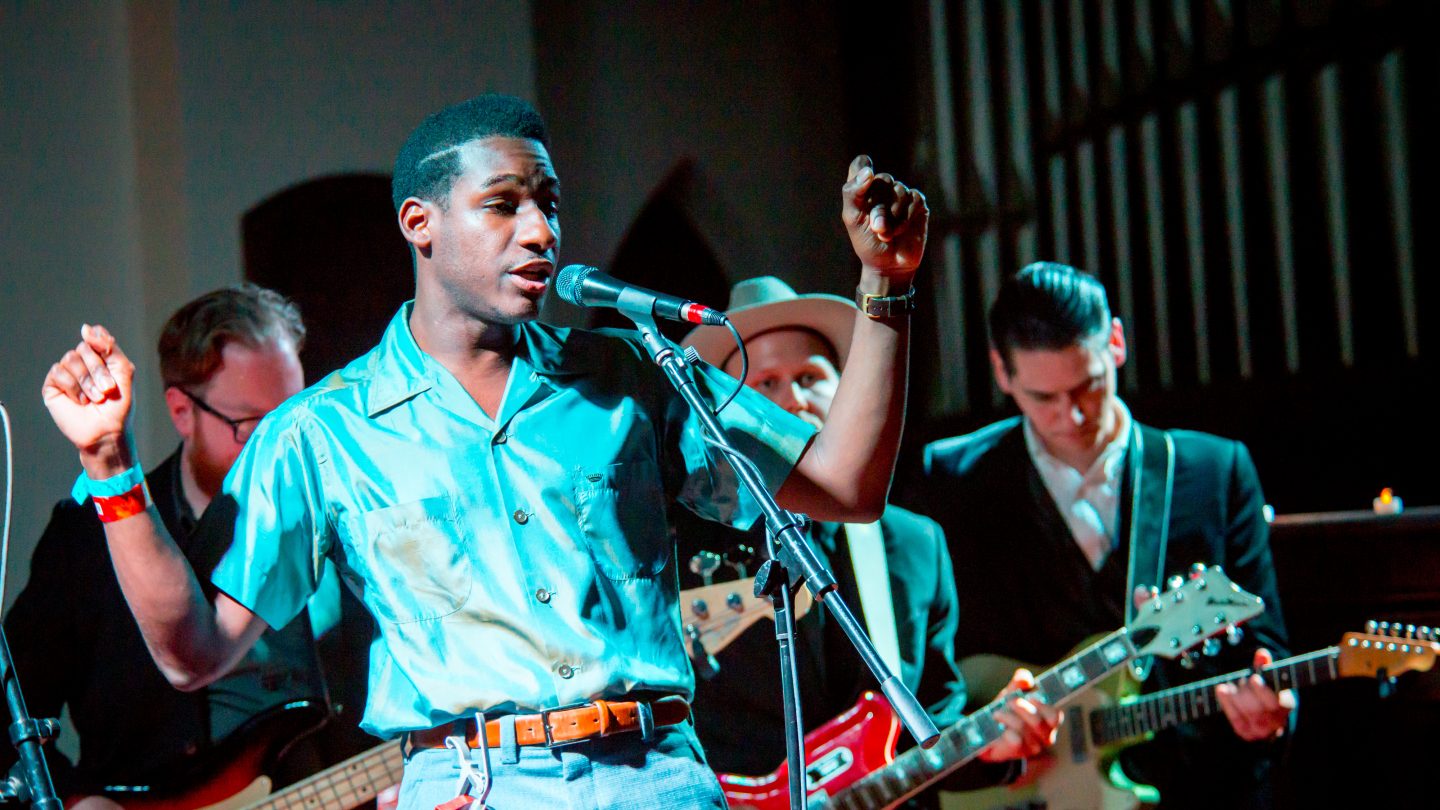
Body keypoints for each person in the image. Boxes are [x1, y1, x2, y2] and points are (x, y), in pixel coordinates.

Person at [38, 94, 929, 809]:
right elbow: (194, 652)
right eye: (503, 205)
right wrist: (111, 466)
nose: (540, 231)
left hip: (658, 775)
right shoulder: (321, 432)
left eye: (549, 205)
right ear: (420, 222)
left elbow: (846, 485)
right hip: (467, 784)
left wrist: (884, 289)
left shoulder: (628, 378)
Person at [914, 261, 1293, 808]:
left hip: (1195, 787)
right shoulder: (948, 479)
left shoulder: (1215, 470)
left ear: (1116, 342)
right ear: (1002, 372)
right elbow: (927, 664)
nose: (1072, 415)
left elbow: (1265, 647)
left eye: (1089, 386)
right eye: (1043, 398)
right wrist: (993, 740)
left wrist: (1269, 714)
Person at [678, 277, 1052, 804]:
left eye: (811, 377)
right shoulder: (679, 547)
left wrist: (993, 745)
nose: (794, 398)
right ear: (727, 408)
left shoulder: (914, 546)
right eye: (766, 384)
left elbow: (930, 734)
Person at [4, 285, 328, 806]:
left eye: (290, 421)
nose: (277, 447)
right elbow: (6, 714)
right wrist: (79, 800)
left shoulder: (330, 509)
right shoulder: (85, 543)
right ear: (182, 411)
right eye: (251, 425)